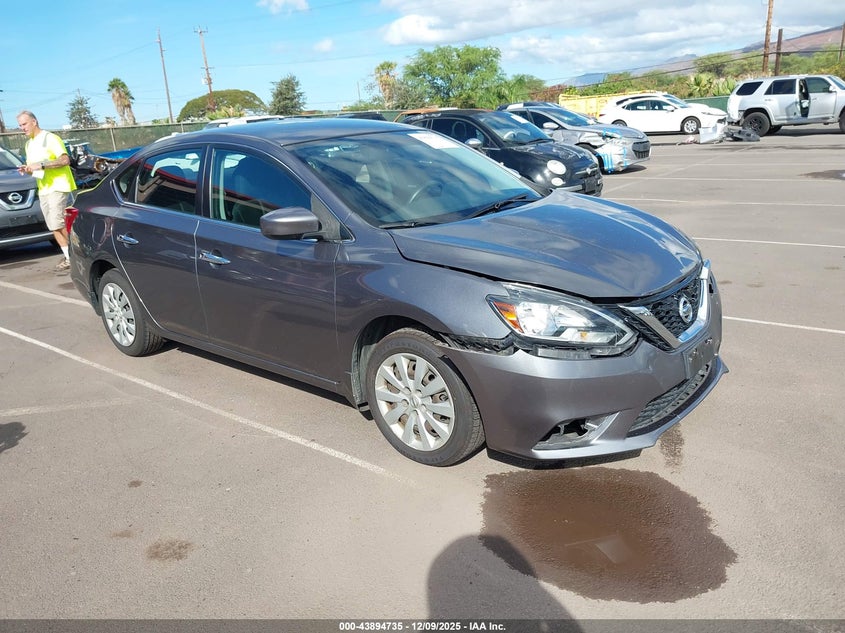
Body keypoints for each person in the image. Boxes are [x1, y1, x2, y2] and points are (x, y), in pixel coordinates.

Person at [16, 110, 77, 272]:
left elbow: (65, 160)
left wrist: (42, 164)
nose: (22, 128)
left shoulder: (50, 138)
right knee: (52, 225)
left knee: (58, 222)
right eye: (20, 125)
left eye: (24, 124)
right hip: (44, 189)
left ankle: (79, 254)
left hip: (59, 186)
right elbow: (37, 170)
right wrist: (28, 169)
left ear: (34, 122)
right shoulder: (29, 144)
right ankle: (70, 257)